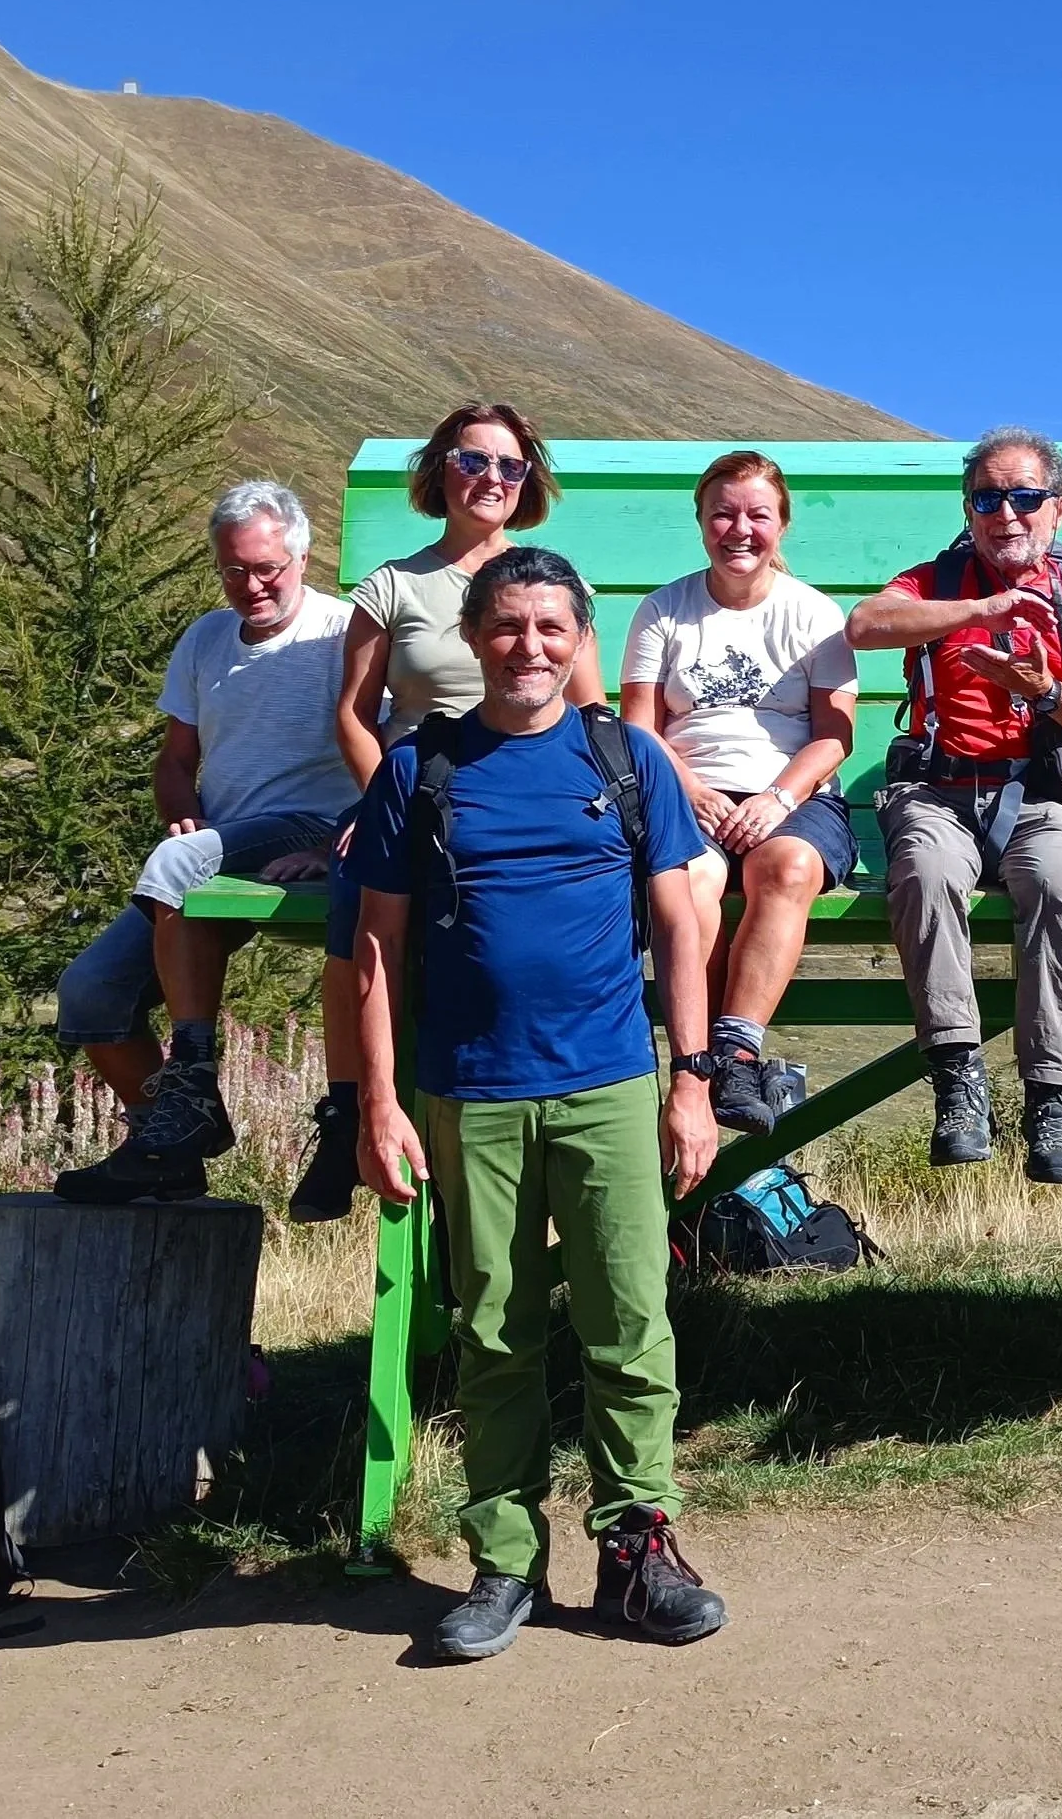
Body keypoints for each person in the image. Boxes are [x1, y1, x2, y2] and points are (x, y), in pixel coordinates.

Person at [350, 544, 727, 1664]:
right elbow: (373, 947)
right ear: (472, 637)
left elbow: (679, 926)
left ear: (580, 642)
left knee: (628, 1323)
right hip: (468, 1093)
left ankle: (637, 1549)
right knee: (495, 1332)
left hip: (611, 1081)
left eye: (551, 629)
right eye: (508, 627)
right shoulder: (420, 771)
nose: (529, 648)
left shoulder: (624, 760)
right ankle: (505, 1561)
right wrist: (379, 1104)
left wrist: (693, 1080)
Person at [285, 402, 606, 1226]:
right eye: (473, 461)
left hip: (531, 793)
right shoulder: (392, 587)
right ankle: (350, 1110)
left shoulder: (554, 580)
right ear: (441, 472)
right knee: (365, 901)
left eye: (510, 466)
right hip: (418, 789)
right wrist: (378, 800)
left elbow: (593, 713)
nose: (491, 479)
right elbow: (356, 715)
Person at [53, 482, 360, 1204]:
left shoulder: (341, 634)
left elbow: (389, 749)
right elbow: (173, 759)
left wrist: (338, 844)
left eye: (266, 569)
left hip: (312, 826)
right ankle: (175, 1140)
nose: (249, 586)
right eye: (232, 570)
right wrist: (181, 810)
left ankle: (190, 1072)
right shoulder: (205, 640)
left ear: (302, 556)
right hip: (220, 843)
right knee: (90, 993)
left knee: (178, 863)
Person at [844, 426, 1062, 1185]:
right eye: (988, 497)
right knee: (926, 871)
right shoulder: (935, 582)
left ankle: (1053, 1098)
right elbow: (866, 625)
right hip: (938, 790)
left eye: (1025, 497)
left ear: (1058, 509)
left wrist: (1043, 690)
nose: (1007, 512)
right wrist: (982, 609)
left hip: (1042, 796)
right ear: (969, 511)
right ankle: (958, 1080)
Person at [619, 450, 859, 1135]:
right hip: (685, 788)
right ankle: (693, 1063)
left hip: (793, 794)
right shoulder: (665, 611)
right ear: (701, 522)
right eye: (723, 513)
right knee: (693, 878)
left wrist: (777, 800)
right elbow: (640, 725)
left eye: (758, 514)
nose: (739, 529)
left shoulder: (815, 615)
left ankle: (735, 1050)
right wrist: (689, 790)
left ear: (781, 525)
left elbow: (833, 737)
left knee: (785, 866)